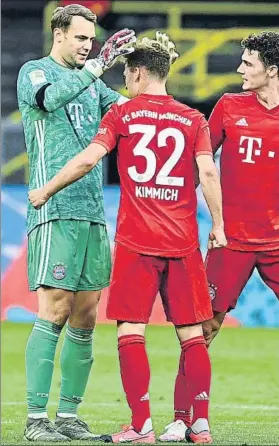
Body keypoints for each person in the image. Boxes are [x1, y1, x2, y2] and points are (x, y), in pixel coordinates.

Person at [29, 33, 227, 444]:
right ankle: (200, 424)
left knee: (130, 331)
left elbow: (88, 159)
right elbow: (208, 173)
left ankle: (141, 427)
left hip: (138, 242)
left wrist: (46, 189)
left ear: (137, 73)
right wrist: (219, 226)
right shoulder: (193, 119)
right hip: (184, 242)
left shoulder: (125, 116)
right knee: (192, 334)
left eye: (127, 75)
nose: (126, 83)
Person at [17, 3, 136, 442]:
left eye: (92, 39)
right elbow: (50, 98)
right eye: (81, 38)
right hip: (52, 208)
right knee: (55, 309)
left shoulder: (94, 86)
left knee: (86, 315)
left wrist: (151, 72)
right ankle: (35, 421)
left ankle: (68, 418)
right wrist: (99, 66)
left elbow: (132, 112)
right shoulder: (34, 71)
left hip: (92, 211)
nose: (88, 46)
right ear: (59, 34)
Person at [158, 30, 279, 442]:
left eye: (248, 63)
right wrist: (174, 210)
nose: (240, 69)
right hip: (231, 241)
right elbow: (199, 166)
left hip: (278, 244)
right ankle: (181, 417)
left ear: (272, 71)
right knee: (202, 327)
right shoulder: (229, 106)